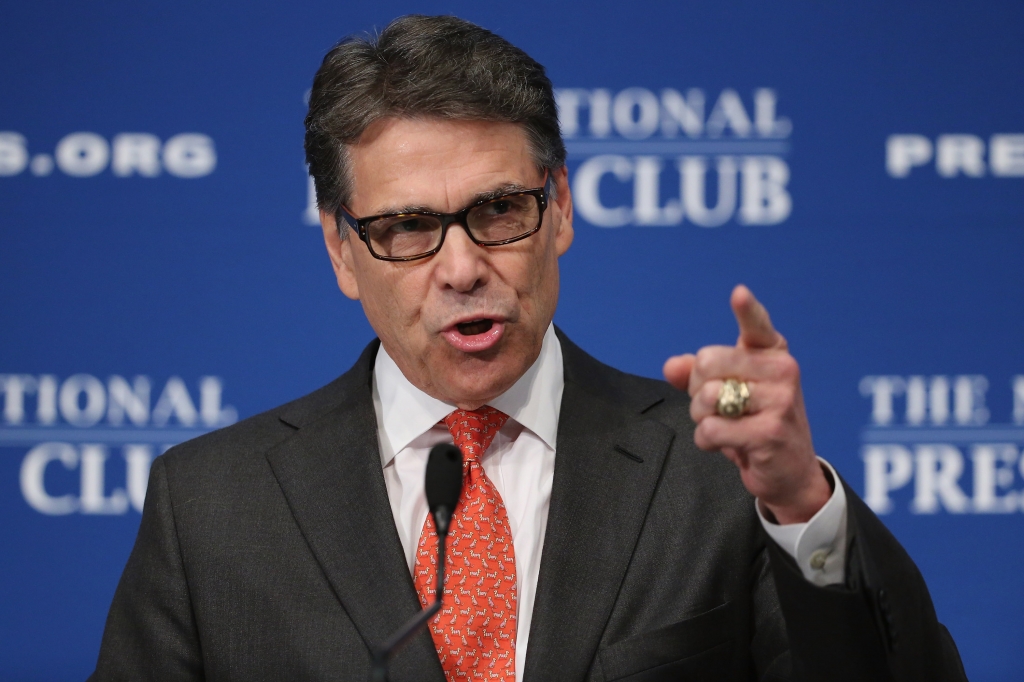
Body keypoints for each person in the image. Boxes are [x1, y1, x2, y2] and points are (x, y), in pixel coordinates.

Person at [91, 14, 967, 682]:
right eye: (407, 228)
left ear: (561, 210)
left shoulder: (714, 477)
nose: (464, 267)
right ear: (340, 250)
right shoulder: (211, 507)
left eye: (499, 210)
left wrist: (798, 502)